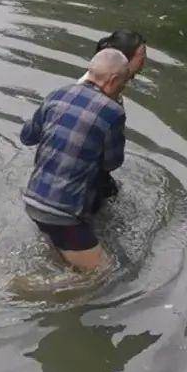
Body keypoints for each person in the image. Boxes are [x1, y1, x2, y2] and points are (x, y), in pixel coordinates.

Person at [20, 48, 131, 272]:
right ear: (113, 80)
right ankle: (26, 287)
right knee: (105, 274)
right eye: (124, 83)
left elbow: (27, 137)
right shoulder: (112, 113)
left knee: (62, 259)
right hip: (63, 212)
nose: (123, 88)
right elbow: (112, 163)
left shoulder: (57, 94)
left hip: (33, 199)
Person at [89, 30, 145, 208]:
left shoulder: (97, 81)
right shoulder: (109, 102)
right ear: (123, 59)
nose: (145, 63)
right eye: (142, 56)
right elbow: (112, 161)